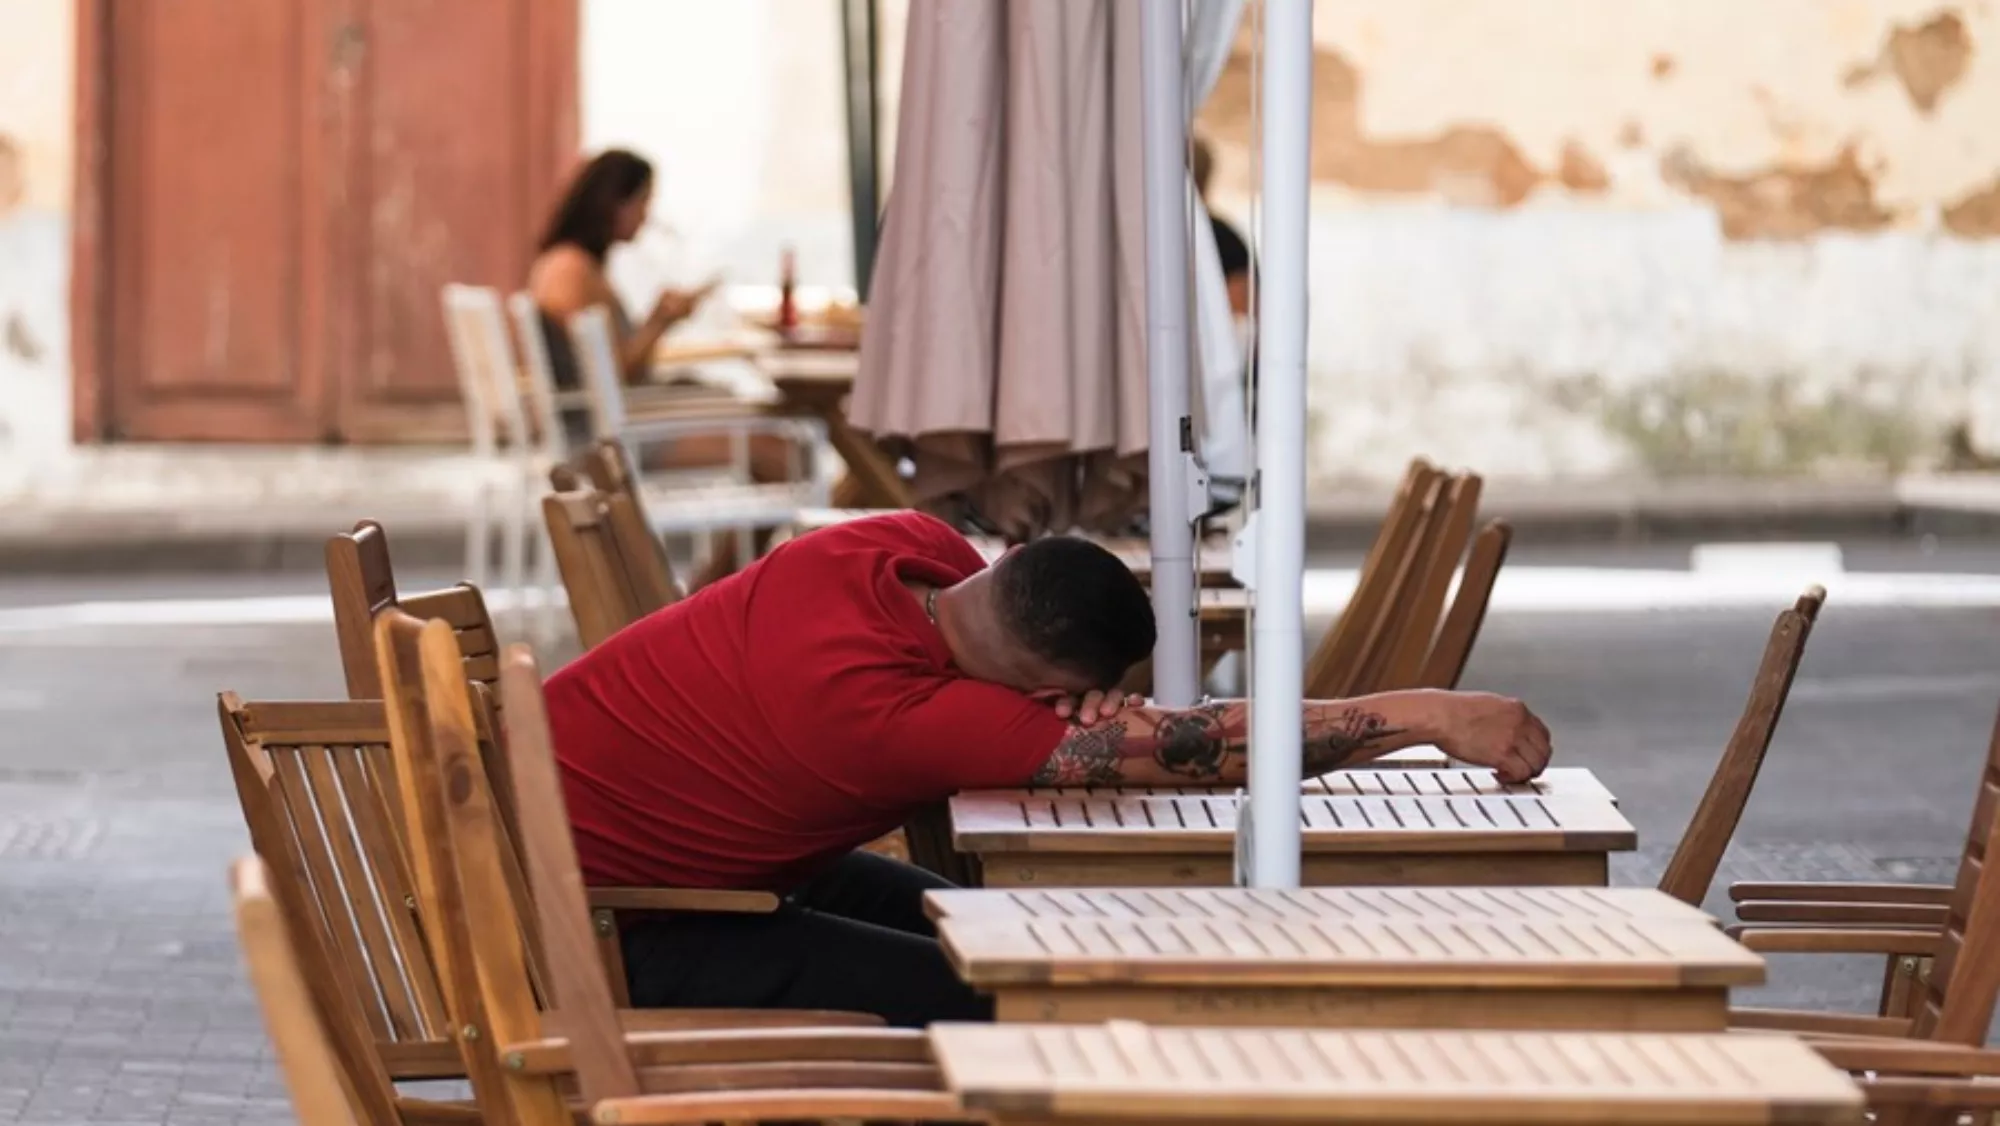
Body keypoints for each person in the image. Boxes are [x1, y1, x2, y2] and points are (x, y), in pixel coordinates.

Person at [545, 512, 1553, 1028]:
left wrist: (1051, 709)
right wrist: (1430, 714)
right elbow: (1208, 751)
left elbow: (1150, 728)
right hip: (596, 928)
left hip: (606, 858)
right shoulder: (892, 716)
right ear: (1050, 681)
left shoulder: (905, 546)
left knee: (998, 930)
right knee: (1010, 998)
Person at [528, 150, 793, 585]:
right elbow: (614, 373)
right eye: (643, 203)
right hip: (603, 438)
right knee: (780, 455)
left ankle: (714, 588)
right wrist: (661, 321)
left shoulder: (573, 265)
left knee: (769, 436)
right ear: (614, 203)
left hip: (611, 422)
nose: (646, 217)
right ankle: (714, 591)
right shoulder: (570, 272)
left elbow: (613, 370)